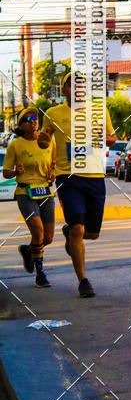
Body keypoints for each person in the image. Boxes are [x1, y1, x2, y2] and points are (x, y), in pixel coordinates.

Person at [38, 72, 116, 298]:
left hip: (95, 176)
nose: (77, 89)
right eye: (72, 85)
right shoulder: (53, 113)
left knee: (91, 233)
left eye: (81, 86)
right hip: (68, 176)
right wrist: (43, 141)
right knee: (78, 229)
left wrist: (107, 138)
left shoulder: (100, 110)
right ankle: (83, 281)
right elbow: (44, 140)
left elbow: (112, 138)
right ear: (64, 90)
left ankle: (69, 234)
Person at [3, 107, 56, 288]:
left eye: (34, 117)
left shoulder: (48, 140)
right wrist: (15, 172)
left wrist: (53, 172)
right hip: (25, 192)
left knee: (48, 238)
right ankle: (40, 274)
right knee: (38, 232)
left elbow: (54, 163)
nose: (33, 120)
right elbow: (6, 172)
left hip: (46, 191)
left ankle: (28, 250)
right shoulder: (15, 145)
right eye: (27, 119)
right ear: (21, 126)